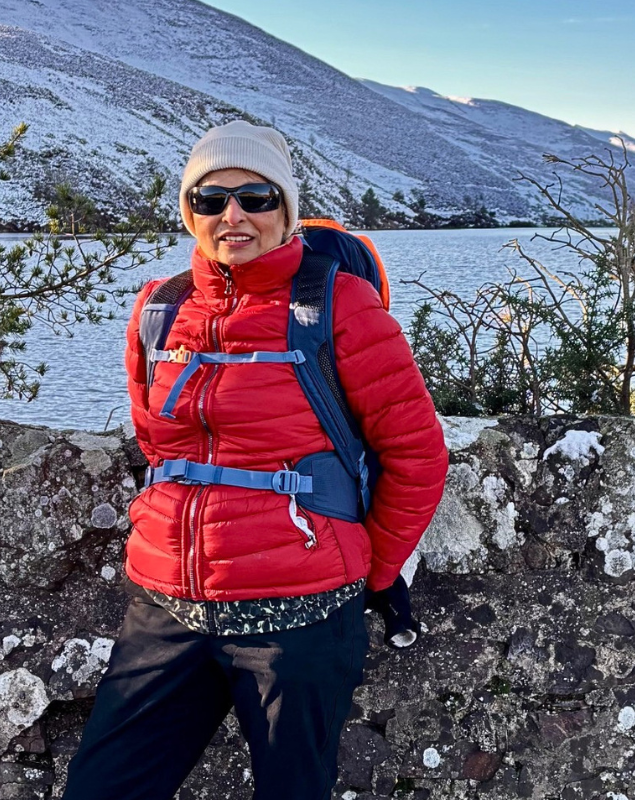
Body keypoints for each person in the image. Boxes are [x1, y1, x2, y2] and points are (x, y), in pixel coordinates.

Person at [61, 121, 448, 800]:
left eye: (256, 197)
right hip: (168, 609)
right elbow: (158, 444)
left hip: (300, 616)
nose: (232, 215)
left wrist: (373, 573)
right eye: (211, 200)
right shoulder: (159, 309)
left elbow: (417, 453)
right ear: (191, 213)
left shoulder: (340, 305)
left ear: (286, 209)